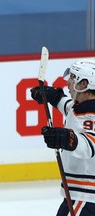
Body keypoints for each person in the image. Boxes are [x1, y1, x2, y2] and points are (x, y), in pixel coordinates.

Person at [30, 58, 95, 215]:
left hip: (86, 195)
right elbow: (67, 106)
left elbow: (89, 145)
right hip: (79, 194)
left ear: (84, 84)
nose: (68, 82)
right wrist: (52, 96)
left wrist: (67, 138)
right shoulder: (79, 106)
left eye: (73, 78)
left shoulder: (90, 116)